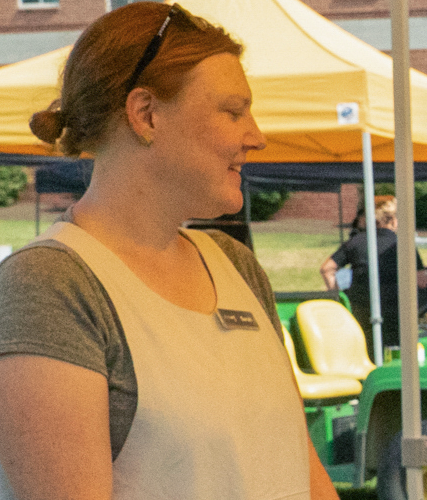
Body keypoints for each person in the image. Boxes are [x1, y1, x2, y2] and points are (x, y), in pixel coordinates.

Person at [0, 3, 339, 498]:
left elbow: (299, 467)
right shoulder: (50, 285)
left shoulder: (234, 264)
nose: (256, 136)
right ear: (146, 114)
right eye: (233, 111)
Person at [319, 196, 427, 353]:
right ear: (393, 220)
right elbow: (422, 281)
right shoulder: (403, 245)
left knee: (364, 351)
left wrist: (339, 296)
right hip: (396, 312)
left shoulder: (356, 242)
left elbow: (327, 269)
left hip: (360, 308)